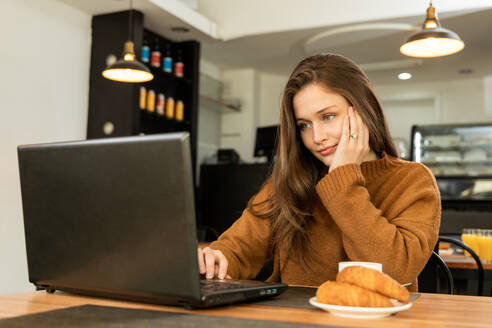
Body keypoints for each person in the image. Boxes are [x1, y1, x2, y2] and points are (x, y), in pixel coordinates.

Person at [198, 53, 441, 292]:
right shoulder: (292, 180)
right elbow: (239, 247)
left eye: (327, 116)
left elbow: (395, 271)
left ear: (363, 109)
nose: (317, 137)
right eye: (304, 125)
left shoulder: (413, 180)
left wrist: (343, 179)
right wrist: (216, 257)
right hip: (293, 319)